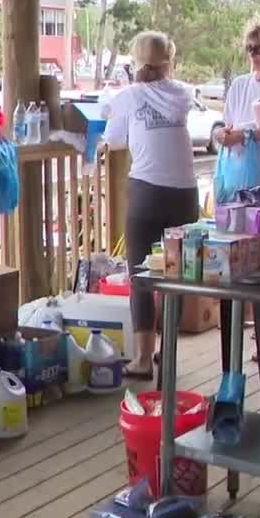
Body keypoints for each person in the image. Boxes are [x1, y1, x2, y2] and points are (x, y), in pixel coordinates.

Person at [103, 31, 199, 379]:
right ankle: (167, 352)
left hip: (147, 190)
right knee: (177, 274)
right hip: (186, 193)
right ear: (168, 61)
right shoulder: (183, 95)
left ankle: (143, 360)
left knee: (141, 274)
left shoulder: (129, 96)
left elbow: (113, 141)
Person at [216, 19, 260, 372]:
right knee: (234, 243)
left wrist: (244, 136)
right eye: (251, 48)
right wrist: (224, 134)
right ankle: (237, 322)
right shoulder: (240, 85)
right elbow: (225, 123)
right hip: (234, 172)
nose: (256, 55)